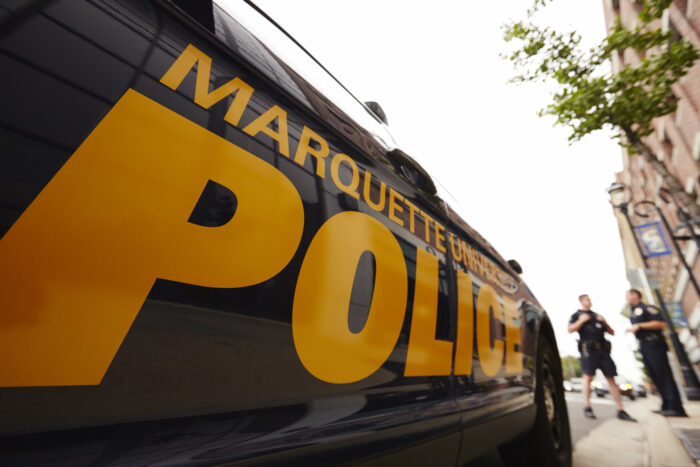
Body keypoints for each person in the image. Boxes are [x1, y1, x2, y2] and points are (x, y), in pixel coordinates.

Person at [568, 294, 636, 421]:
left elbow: (612, 332)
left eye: (590, 299)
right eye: (587, 299)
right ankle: (587, 406)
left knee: (611, 378)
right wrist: (581, 321)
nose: (589, 301)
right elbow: (570, 329)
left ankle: (621, 410)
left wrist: (604, 322)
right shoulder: (576, 315)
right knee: (588, 377)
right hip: (588, 350)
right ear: (581, 301)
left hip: (603, 350)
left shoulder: (597, 316)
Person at [625, 289, 687, 417]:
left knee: (663, 374)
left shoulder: (648, 308)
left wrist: (640, 325)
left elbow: (661, 323)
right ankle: (666, 405)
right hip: (644, 345)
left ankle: (676, 408)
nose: (626, 298)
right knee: (656, 376)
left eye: (628, 295)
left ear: (635, 295)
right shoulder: (633, 311)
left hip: (654, 343)